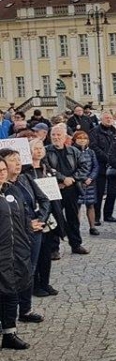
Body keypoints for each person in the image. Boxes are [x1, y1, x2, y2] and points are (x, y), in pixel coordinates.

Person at [1, 148, 49, 328]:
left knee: (28, 269)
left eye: (19, 159)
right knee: (10, 275)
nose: (18, 163)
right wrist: (28, 223)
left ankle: (25, 309)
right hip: (13, 236)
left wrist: (40, 220)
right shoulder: (4, 189)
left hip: (32, 232)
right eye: (13, 160)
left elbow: (44, 199)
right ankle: (8, 317)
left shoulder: (26, 179)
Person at [0, 158, 37, 350]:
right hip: (2, 253)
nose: (1, 173)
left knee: (11, 292)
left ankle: (10, 333)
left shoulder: (11, 191)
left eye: (3, 169)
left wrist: (27, 240)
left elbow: (23, 218)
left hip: (16, 252)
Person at [44, 123, 90, 255]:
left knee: (73, 218)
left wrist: (72, 179)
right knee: (54, 218)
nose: (56, 137)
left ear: (65, 137)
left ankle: (76, 244)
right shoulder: (46, 151)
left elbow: (84, 167)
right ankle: (54, 249)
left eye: (59, 135)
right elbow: (46, 168)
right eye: (53, 135)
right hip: (54, 189)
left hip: (71, 189)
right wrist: (62, 179)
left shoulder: (74, 151)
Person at [24, 140, 61, 297]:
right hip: (34, 215)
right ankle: (35, 285)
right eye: (35, 148)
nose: (38, 151)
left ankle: (45, 282)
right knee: (36, 254)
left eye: (40, 148)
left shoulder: (47, 169)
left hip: (48, 215)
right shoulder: (26, 172)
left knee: (46, 253)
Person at [90, 111, 116, 224]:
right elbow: (94, 147)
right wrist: (107, 157)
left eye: (110, 118)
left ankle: (108, 214)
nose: (109, 119)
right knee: (99, 192)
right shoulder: (95, 131)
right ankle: (96, 217)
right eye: (106, 118)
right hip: (100, 165)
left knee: (112, 192)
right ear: (101, 119)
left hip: (113, 166)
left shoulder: (115, 131)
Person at [72, 130, 100, 236]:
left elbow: (95, 166)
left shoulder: (91, 152)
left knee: (90, 205)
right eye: (79, 138)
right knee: (77, 206)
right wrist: (81, 178)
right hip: (78, 182)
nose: (82, 140)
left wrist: (91, 178)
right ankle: (76, 227)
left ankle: (92, 227)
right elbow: (72, 167)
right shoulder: (72, 151)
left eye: (84, 138)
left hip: (90, 182)